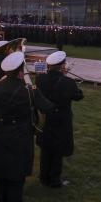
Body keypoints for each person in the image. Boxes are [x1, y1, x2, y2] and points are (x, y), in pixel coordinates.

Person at [0, 51, 54, 202]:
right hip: (20, 139)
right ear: (20, 71)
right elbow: (48, 107)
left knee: (1, 175)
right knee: (16, 177)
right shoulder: (29, 91)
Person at [35, 51, 84, 188]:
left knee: (46, 148)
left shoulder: (40, 79)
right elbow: (79, 96)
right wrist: (65, 78)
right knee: (57, 150)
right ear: (62, 65)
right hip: (61, 119)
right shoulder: (67, 82)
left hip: (44, 118)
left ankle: (43, 176)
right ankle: (54, 180)